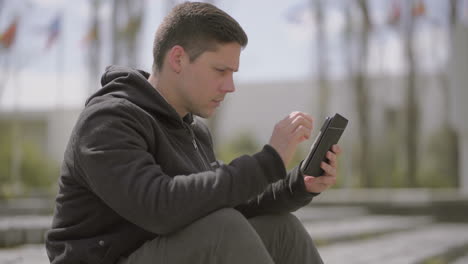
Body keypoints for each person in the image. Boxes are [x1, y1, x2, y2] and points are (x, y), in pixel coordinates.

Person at [45, 2, 341, 264]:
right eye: (220, 71)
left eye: (233, 74)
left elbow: (224, 199)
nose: (230, 86)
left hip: (161, 250)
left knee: (281, 229)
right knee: (223, 230)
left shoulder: (192, 131)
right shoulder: (108, 120)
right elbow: (158, 208)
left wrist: (298, 184)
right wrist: (268, 160)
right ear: (178, 59)